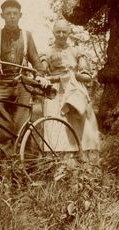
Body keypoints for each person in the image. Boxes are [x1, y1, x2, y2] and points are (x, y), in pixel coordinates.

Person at [0, 0, 45, 154]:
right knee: (1, 123)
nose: (12, 16)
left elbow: (35, 60)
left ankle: (26, 161)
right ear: (2, 16)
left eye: (15, 13)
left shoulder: (27, 36)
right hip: (0, 83)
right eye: (8, 14)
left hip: (22, 83)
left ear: (20, 15)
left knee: (23, 124)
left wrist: (40, 75)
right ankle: (8, 159)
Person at [40, 19, 100, 151]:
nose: (61, 35)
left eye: (64, 32)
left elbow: (87, 77)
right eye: (58, 32)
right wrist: (57, 78)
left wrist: (74, 76)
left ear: (69, 33)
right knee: (56, 126)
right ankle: (58, 161)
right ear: (53, 32)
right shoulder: (47, 52)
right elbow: (42, 74)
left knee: (83, 127)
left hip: (75, 90)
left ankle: (83, 158)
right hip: (55, 92)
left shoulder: (77, 52)